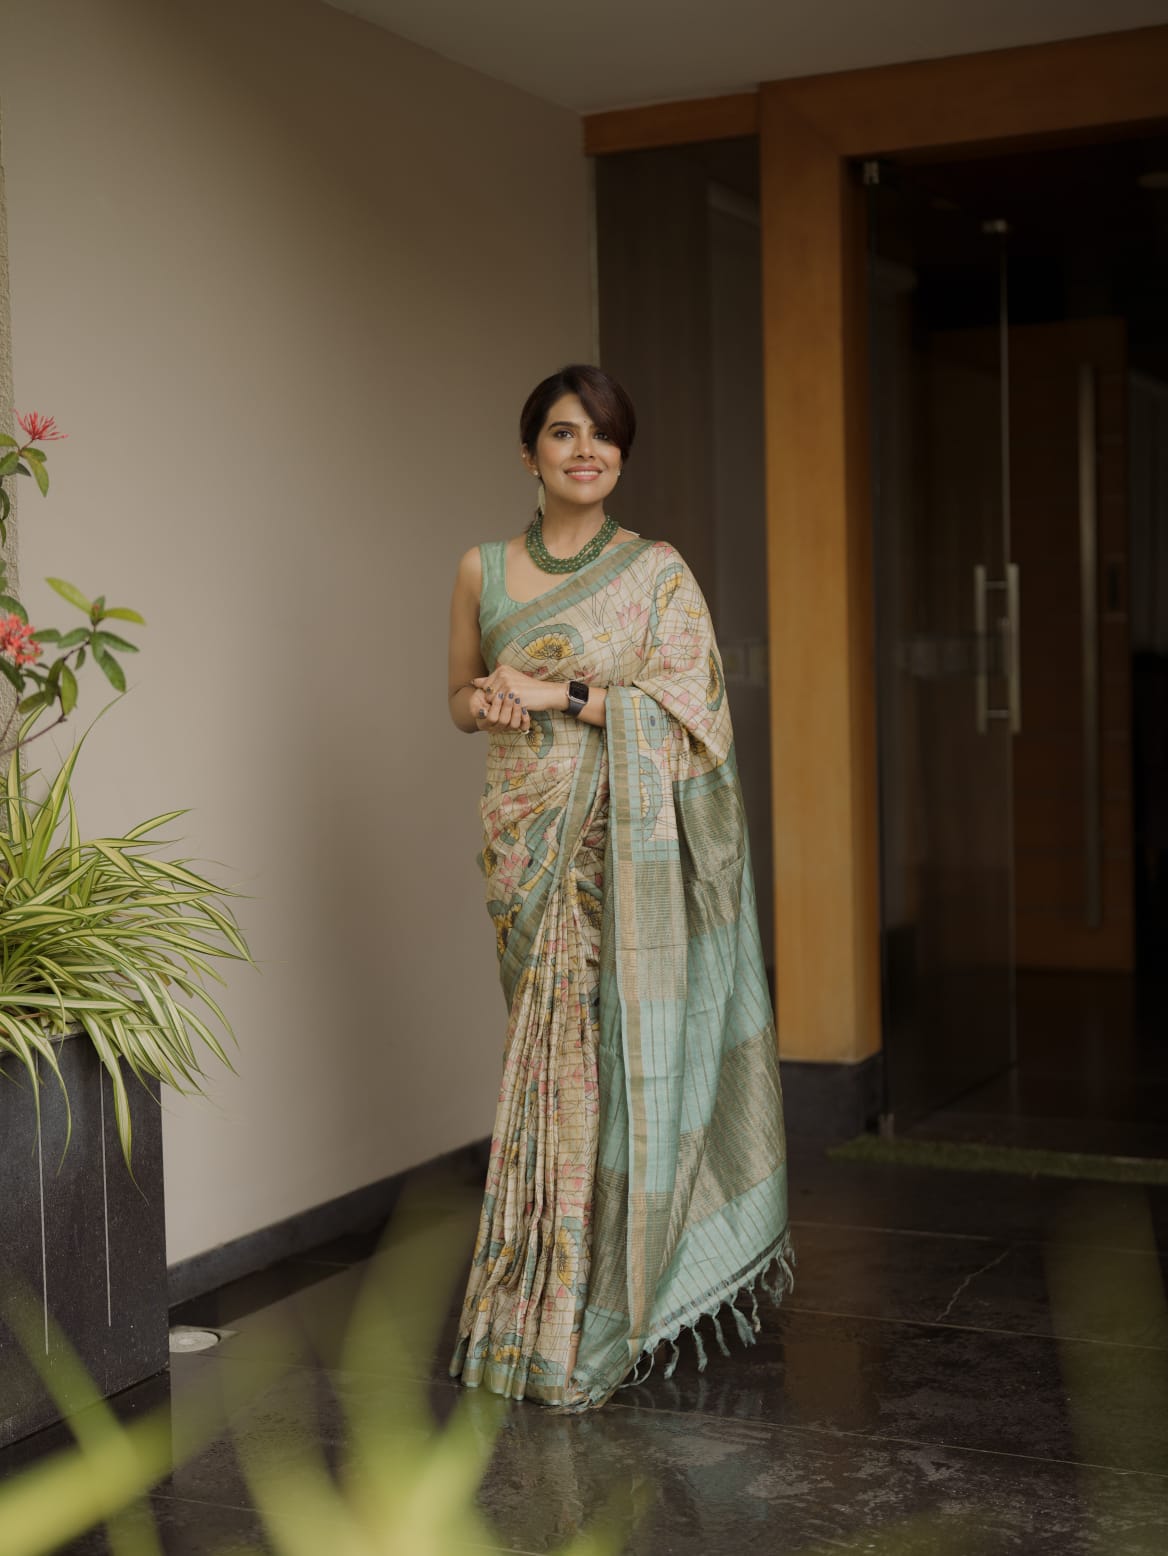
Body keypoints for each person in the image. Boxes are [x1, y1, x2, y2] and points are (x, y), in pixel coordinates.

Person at [446, 364, 792, 1410]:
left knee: (605, 1063)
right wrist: (492, 705)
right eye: (562, 433)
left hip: (618, 846)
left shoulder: (657, 572)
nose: (583, 451)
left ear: (620, 457)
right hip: (528, 840)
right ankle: (540, 1291)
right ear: (529, 452)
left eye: (602, 437)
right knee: (549, 1069)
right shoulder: (479, 567)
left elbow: (697, 713)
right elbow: (457, 698)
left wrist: (561, 690)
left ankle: (599, 1302)